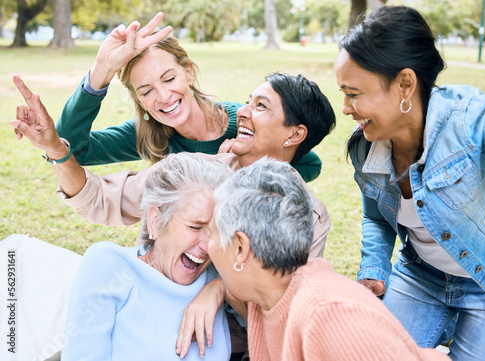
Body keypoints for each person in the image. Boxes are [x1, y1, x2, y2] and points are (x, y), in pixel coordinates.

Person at [11, 71, 335, 358]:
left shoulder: (309, 218)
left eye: (260, 106)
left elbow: (280, 315)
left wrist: (220, 289)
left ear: (294, 135)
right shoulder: (200, 171)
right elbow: (99, 197)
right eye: (249, 101)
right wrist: (56, 148)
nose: (244, 112)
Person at [334, 5, 485, 360]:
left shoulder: (470, 119)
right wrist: (373, 270)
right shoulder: (367, 148)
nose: (346, 108)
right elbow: (377, 218)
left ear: (405, 84)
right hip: (421, 273)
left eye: (353, 93)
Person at [207, 157, 450, 361]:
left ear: (240, 248)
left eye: (211, 233)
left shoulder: (326, 314)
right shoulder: (268, 296)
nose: (207, 247)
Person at [49, 12, 322, 182]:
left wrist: (242, 169)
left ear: (189, 73)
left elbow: (310, 163)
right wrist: (100, 72)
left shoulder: (243, 124)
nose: (164, 96)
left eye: (169, 78)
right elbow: (71, 146)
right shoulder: (148, 135)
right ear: (139, 100)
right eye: (146, 91)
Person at [60, 153, 233, 360]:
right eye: (195, 227)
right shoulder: (110, 265)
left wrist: (221, 288)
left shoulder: (222, 275)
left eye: (216, 231)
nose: (207, 246)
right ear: (155, 221)